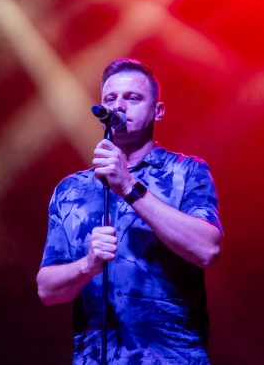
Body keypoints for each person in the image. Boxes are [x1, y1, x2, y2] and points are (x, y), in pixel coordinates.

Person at [36, 58, 223, 364]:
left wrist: (128, 186)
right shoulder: (71, 191)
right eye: (110, 99)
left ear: (158, 111)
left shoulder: (187, 172)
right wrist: (87, 265)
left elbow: (207, 249)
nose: (119, 106)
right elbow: (47, 290)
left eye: (133, 98)